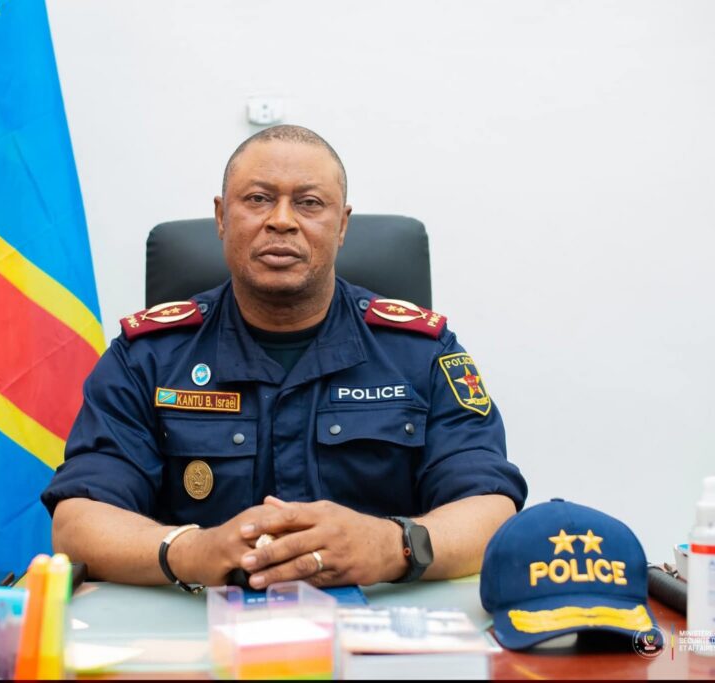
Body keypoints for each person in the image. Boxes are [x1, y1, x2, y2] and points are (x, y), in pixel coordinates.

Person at [42, 125, 527, 591]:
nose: (281, 220)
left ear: (342, 225)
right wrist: (192, 551)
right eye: (258, 199)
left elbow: (489, 506)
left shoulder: (420, 353)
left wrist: (390, 546)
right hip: (198, 621)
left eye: (309, 203)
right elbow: (78, 521)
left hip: (378, 625)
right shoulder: (146, 357)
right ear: (221, 217)